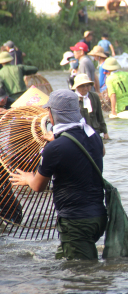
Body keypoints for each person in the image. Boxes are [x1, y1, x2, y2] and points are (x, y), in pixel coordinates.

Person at [11, 89, 107, 260]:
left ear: (53, 115)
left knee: (82, 277)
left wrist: (27, 178)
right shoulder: (93, 135)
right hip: (99, 216)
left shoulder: (54, 149)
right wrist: (61, 139)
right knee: (62, 263)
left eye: (49, 111)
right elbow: (98, 152)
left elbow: (38, 186)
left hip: (76, 221)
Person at [72, 74, 109, 139]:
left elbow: (99, 115)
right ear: (77, 87)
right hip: (80, 132)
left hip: (95, 131)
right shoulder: (72, 99)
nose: (86, 88)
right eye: (82, 86)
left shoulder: (94, 97)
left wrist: (105, 132)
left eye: (87, 86)